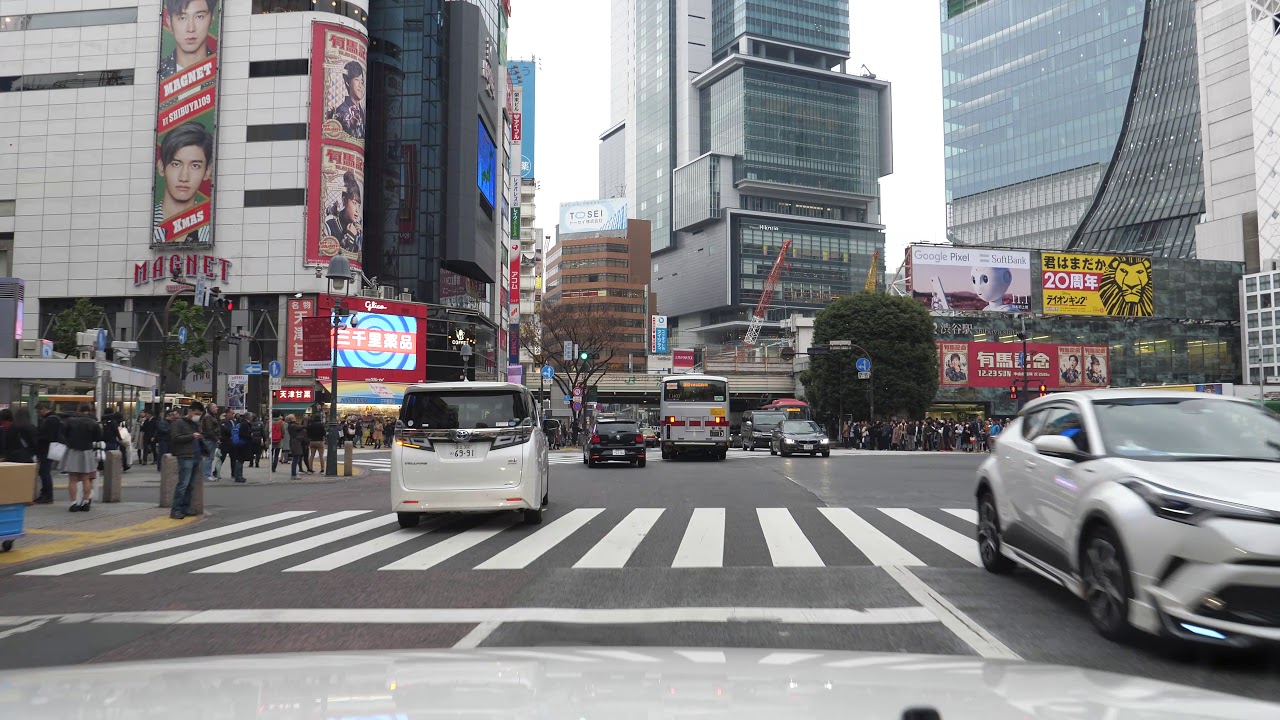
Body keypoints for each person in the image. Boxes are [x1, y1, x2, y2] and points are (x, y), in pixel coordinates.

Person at [152, 120, 214, 244]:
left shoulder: (212, 226)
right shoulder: (145, 224)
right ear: (161, 167)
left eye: (195, 166)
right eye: (176, 164)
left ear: (207, 171)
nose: (184, 177)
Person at [58, 404, 102, 512]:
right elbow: (98, 438)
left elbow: (63, 434)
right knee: (86, 478)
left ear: (78, 410)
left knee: (72, 479)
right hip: (87, 451)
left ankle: (73, 503)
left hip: (73, 450)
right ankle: (86, 502)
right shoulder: (93, 423)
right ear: (89, 411)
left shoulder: (70, 421)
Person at [160, 0, 218, 78]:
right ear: (169, 22)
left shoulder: (219, 68)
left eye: (199, 17)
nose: (191, 28)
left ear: (212, 19)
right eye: (182, 18)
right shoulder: (160, 72)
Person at [168, 404, 203, 519]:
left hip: (196, 456)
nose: (197, 416)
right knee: (183, 484)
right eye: (196, 413)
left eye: (199, 414)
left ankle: (185, 507)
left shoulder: (195, 424)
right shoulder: (178, 423)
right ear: (190, 411)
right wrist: (191, 436)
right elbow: (175, 438)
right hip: (185, 456)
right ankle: (176, 509)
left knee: (191, 485)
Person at [323, 171, 363, 256]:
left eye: (359, 205)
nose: (357, 210)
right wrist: (351, 235)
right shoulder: (330, 225)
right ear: (344, 201)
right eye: (354, 203)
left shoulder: (358, 229)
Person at [327, 60, 366, 139]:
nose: (360, 86)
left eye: (361, 82)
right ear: (348, 82)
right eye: (357, 80)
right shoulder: (342, 111)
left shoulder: (362, 112)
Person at [34, 402, 62, 504]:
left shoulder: (51, 420)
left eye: (38, 411)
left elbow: (49, 436)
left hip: (47, 449)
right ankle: (45, 494)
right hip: (48, 449)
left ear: (43, 409)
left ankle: (47, 495)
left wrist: (38, 437)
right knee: (44, 472)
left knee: (44, 472)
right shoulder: (53, 419)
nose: (38, 413)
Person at [199, 402, 220, 481]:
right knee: (209, 457)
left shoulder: (211, 416)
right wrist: (216, 439)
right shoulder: (208, 417)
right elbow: (209, 430)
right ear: (211, 409)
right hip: (209, 439)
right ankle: (206, 475)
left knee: (209, 457)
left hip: (210, 439)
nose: (217, 408)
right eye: (215, 407)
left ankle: (207, 474)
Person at [229, 413, 252, 483]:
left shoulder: (241, 423)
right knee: (240, 460)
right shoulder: (245, 424)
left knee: (240, 460)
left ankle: (239, 475)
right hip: (242, 444)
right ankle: (238, 476)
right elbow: (242, 434)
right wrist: (250, 436)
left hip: (240, 443)